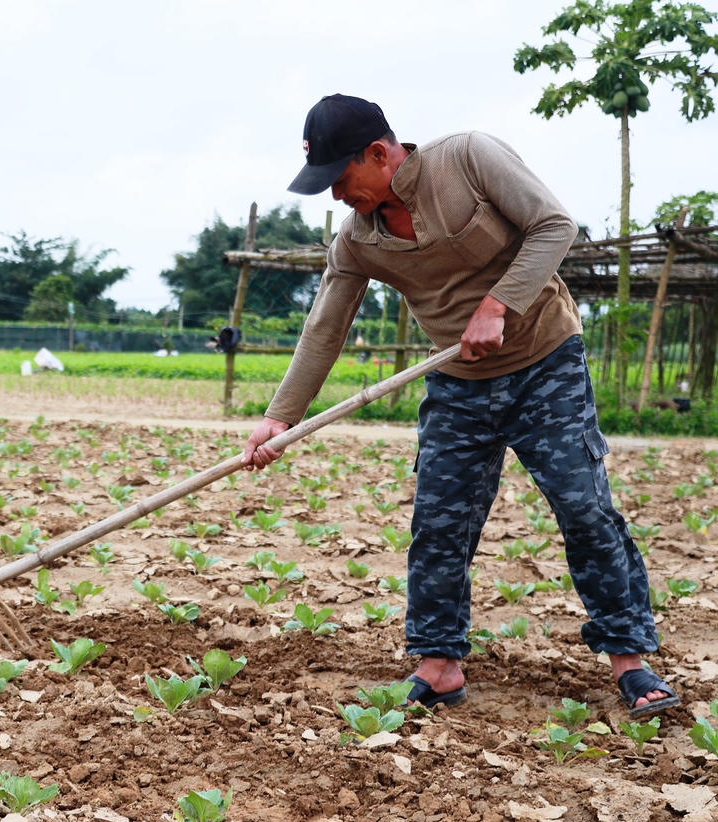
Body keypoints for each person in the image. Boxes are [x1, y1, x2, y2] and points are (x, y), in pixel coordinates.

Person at [241, 94, 678, 719]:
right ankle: (439, 665)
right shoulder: (358, 238)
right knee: (440, 523)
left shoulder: (468, 159)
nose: (337, 195)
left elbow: (555, 225)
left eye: (341, 178)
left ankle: (631, 662)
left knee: (584, 509)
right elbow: (325, 327)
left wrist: (497, 305)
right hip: (458, 382)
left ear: (379, 153)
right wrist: (279, 418)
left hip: (544, 363)